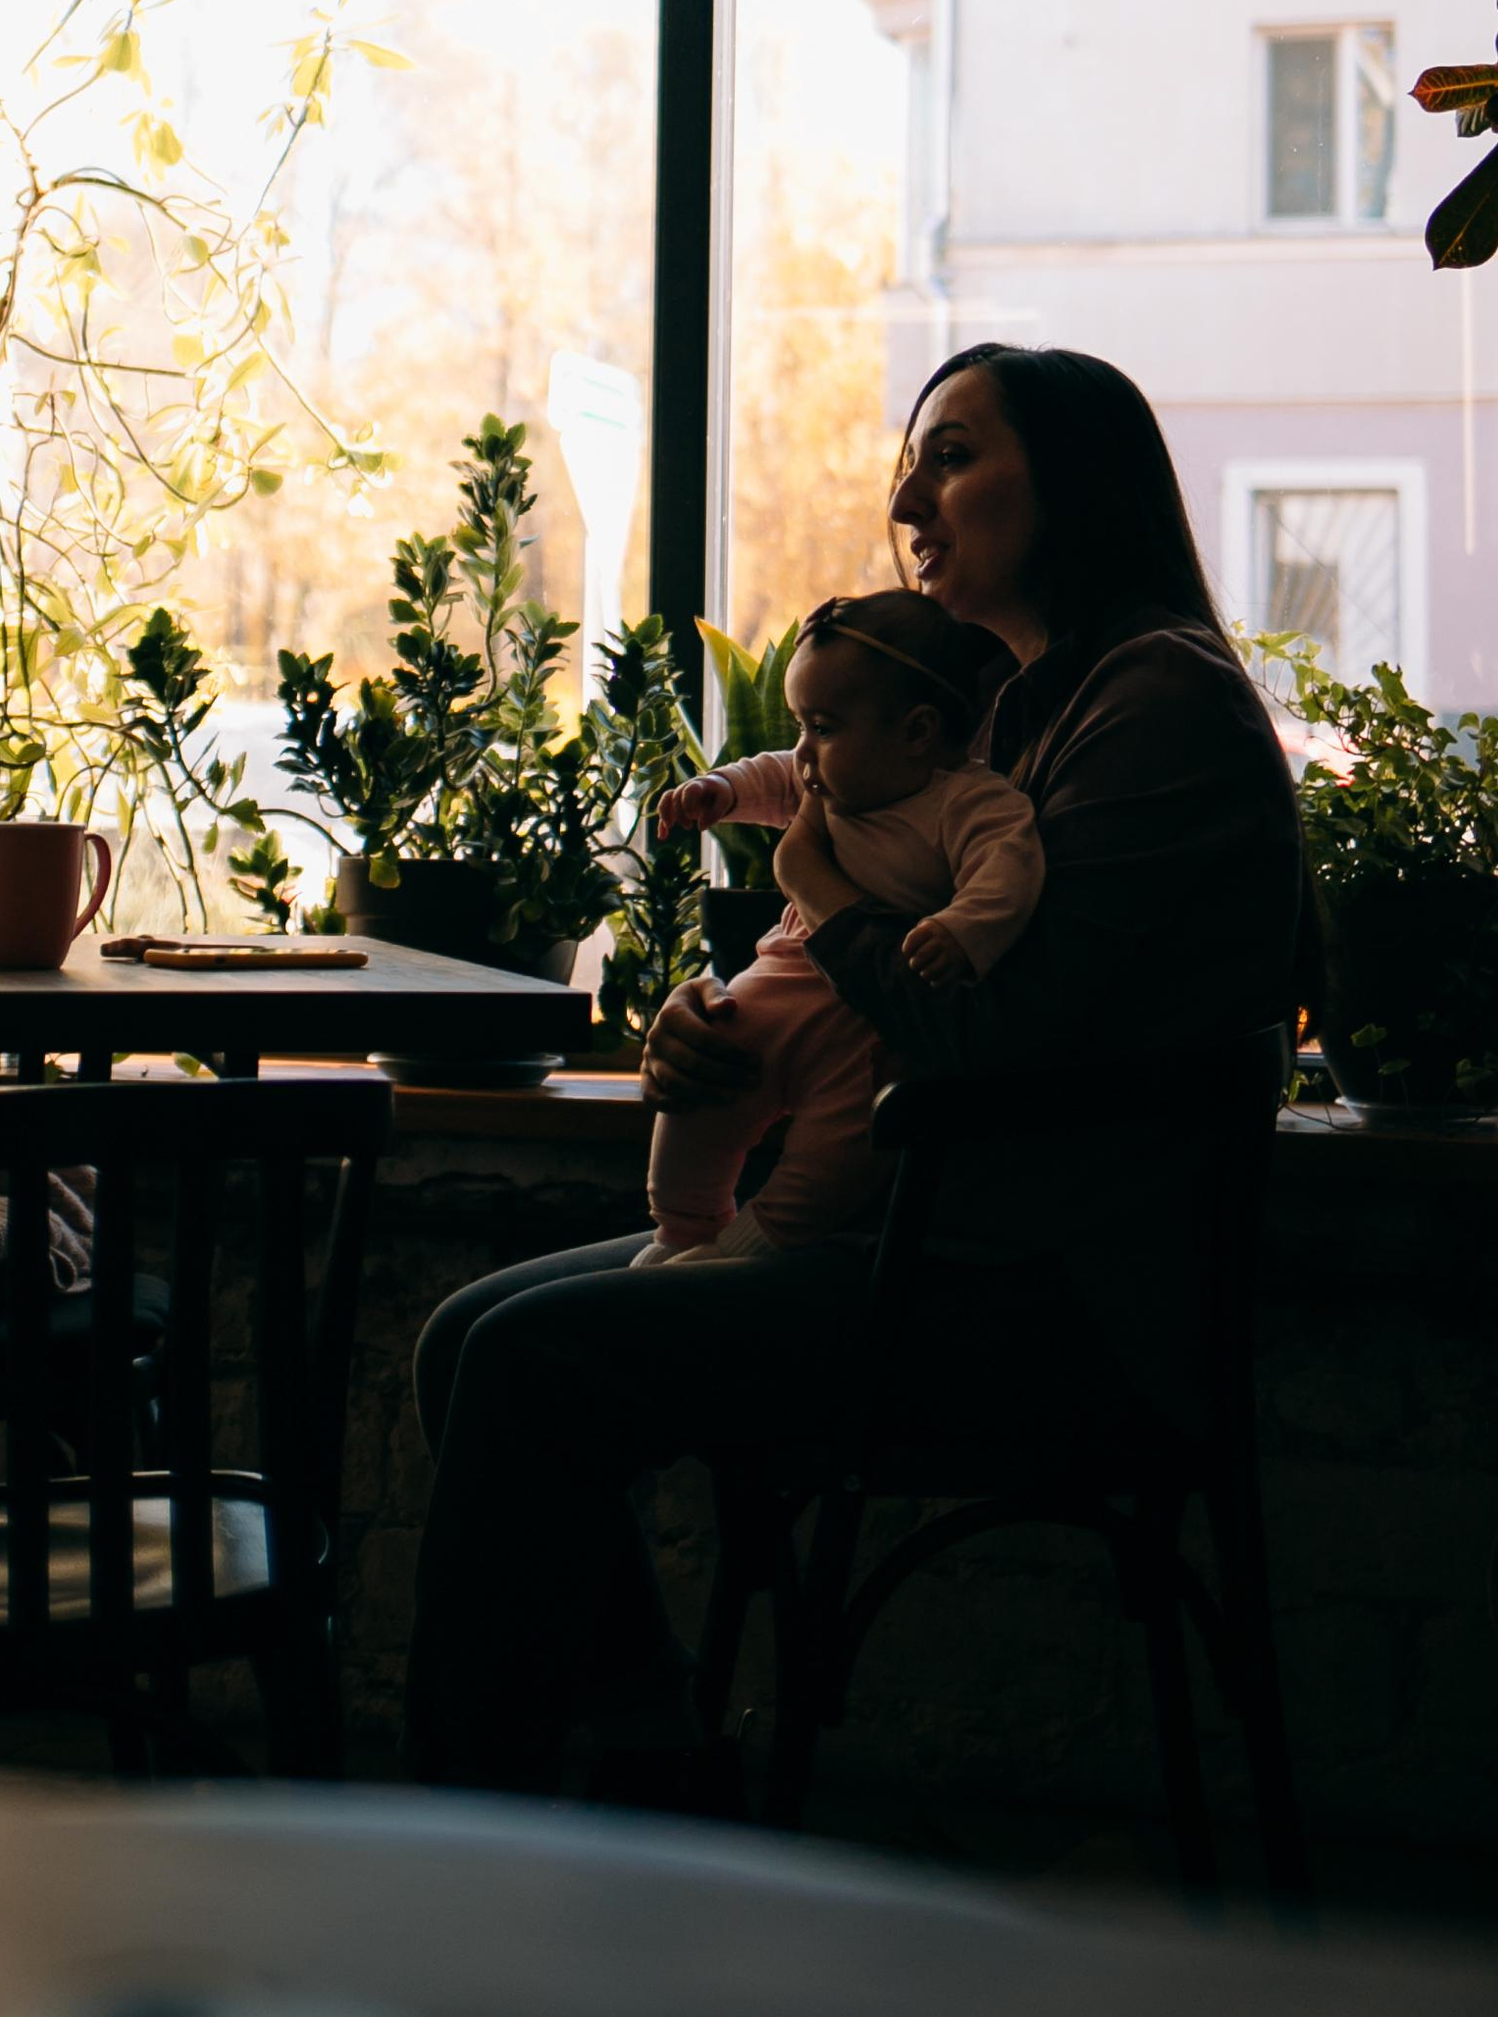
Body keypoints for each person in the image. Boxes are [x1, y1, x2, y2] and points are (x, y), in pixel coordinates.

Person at [404, 342, 1301, 1801]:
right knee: (470, 1335)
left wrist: (813, 877)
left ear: (1075, 480)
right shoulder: (1027, 705)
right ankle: (645, 1749)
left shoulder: (1158, 710)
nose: (908, 497)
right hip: (928, 1248)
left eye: (952, 454)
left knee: (521, 1358)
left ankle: (447, 1840)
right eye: (911, 461)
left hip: (1052, 1308)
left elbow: (988, 1035)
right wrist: (718, 1033)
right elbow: (889, 1000)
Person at [639, 589, 1042, 1264]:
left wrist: (962, 929)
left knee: (837, 1160)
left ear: (915, 733)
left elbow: (1011, 869)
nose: (801, 752)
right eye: (800, 726)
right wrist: (723, 791)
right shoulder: (829, 781)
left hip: (867, 1035)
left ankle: (739, 1253)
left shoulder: (970, 803)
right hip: (779, 987)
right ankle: (681, 1232)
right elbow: (772, 775)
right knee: (698, 1105)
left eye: (821, 728)